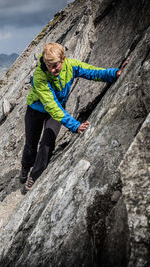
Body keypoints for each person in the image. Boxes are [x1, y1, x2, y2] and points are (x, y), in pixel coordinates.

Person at [20, 42, 128, 194]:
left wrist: (113, 73)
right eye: (48, 65)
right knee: (31, 144)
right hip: (36, 110)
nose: (52, 70)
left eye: (55, 65)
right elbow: (52, 105)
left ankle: (34, 175)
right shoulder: (39, 76)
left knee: (47, 142)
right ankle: (25, 166)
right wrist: (74, 125)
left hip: (55, 111)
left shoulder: (71, 66)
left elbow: (92, 72)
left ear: (63, 59)